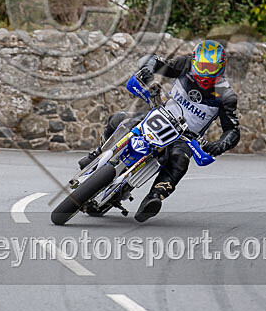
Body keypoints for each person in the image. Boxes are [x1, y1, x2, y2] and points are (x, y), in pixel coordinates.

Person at [79, 39, 241, 222]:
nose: (204, 73)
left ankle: (155, 196)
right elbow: (154, 60)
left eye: (210, 68)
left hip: (185, 136)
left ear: (221, 68)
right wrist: (148, 69)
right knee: (119, 119)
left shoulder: (226, 95)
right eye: (201, 66)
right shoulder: (184, 65)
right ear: (194, 61)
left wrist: (218, 145)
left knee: (180, 159)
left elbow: (233, 130)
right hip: (160, 116)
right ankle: (98, 153)